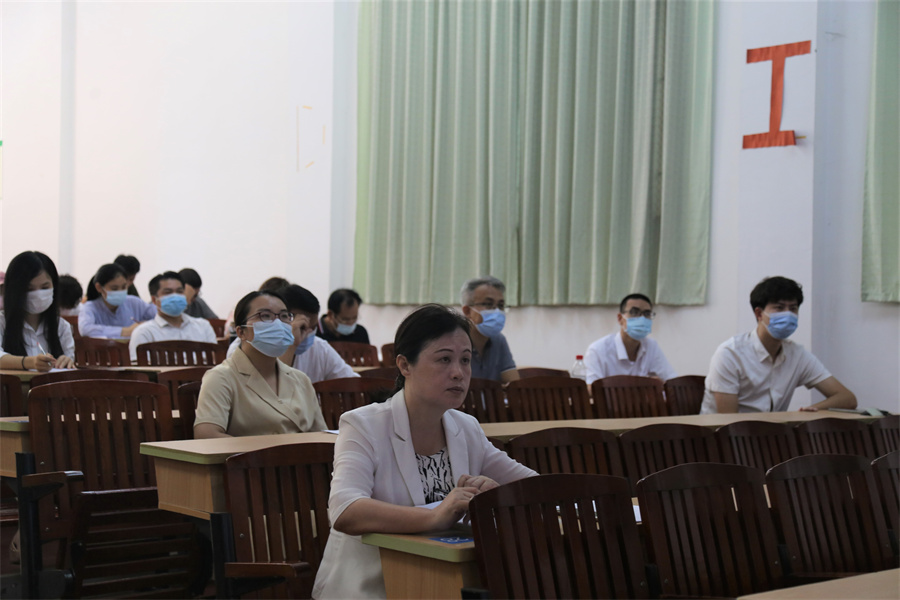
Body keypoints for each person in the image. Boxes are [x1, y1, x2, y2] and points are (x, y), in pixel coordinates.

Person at [313, 304, 536, 599]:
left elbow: (533, 486)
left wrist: (495, 496)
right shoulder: (363, 424)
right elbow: (345, 510)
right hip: (371, 587)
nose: (458, 373)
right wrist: (433, 517)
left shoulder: (466, 427)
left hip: (444, 582)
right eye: (444, 359)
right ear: (405, 365)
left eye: (465, 360)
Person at [701, 276, 857, 414]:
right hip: (722, 436)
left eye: (793, 308)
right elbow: (728, 421)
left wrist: (811, 411)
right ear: (759, 314)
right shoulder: (730, 354)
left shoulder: (797, 355)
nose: (788, 314)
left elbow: (847, 398)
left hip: (771, 434)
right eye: (779, 308)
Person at [193, 289, 326, 438]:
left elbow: (321, 436)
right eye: (265, 316)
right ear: (241, 332)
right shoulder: (221, 377)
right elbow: (207, 434)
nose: (278, 324)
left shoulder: (301, 379)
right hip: (249, 453)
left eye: (284, 316)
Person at [226, 285, 357, 383]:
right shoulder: (244, 347)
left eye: (313, 328)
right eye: (302, 328)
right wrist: (290, 343)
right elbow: (270, 392)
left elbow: (352, 381)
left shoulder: (319, 348)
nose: (308, 334)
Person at [0, 251, 75, 371]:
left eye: (45, 287)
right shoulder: (2, 323)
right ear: (14, 291)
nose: (38, 295)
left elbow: (68, 365)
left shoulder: (62, 327)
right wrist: (29, 362)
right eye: (29, 289)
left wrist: (66, 361)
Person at [583, 293, 677, 384]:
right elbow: (591, 388)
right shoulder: (598, 350)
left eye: (647, 313)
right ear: (620, 318)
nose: (642, 318)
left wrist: (661, 384)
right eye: (634, 312)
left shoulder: (651, 346)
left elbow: (672, 382)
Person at [128, 271, 217, 361]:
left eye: (179, 291)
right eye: (168, 292)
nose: (175, 297)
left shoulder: (203, 327)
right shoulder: (145, 333)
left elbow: (216, 361)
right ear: (154, 300)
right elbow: (138, 368)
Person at [459, 276, 518, 383]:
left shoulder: (499, 340)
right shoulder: (452, 341)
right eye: (488, 304)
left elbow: (514, 385)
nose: (496, 311)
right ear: (467, 311)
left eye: (501, 305)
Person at [79, 263, 156, 338]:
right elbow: (85, 329)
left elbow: (157, 315)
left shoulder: (135, 302)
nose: (120, 291)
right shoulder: (90, 307)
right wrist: (125, 331)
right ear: (99, 287)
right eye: (114, 289)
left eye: (124, 287)